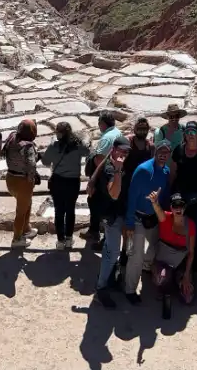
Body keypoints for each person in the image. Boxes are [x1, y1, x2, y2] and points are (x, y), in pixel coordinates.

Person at [122, 142, 174, 303]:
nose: (163, 154)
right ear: (154, 152)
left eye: (166, 152)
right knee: (135, 256)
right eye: (160, 151)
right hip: (137, 218)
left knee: (154, 250)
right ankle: (130, 290)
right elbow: (131, 198)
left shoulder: (166, 171)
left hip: (154, 217)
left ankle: (145, 271)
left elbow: (164, 197)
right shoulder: (143, 170)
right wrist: (129, 223)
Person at [92, 139, 130, 307]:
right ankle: (101, 289)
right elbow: (114, 194)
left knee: (110, 249)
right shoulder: (110, 168)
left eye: (126, 152)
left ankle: (108, 280)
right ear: (113, 150)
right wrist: (118, 170)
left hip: (116, 214)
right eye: (120, 151)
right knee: (111, 253)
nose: (123, 155)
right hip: (111, 216)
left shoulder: (111, 162)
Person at [41, 121, 89, 251]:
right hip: (73, 182)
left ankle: (60, 240)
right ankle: (69, 238)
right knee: (70, 210)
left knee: (59, 211)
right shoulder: (77, 146)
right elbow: (87, 151)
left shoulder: (54, 146)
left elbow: (45, 162)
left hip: (58, 181)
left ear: (59, 133)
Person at [150, 191, 197, 317]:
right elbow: (158, 210)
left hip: (180, 264)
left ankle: (179, 281)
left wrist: (187, 275)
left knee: (187, 298)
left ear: (185, 207)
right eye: (175, 206)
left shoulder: (191, 225)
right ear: (171, 207)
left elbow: (191, 253)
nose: (178, 209)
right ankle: (165, 286)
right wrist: (154, 202)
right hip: (163, 263)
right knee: (162, 278)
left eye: (180, 205)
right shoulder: (165, 218)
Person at [3, 118, 40, 249]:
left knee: (27, 204)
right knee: (20, 211)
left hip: (10, 178)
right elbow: (31, 165)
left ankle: (26, 229)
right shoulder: (28, 146)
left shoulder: (12, 137)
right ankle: (17, 238)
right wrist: (32, 180)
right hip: (22, 182)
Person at [89, 111, 123, 241]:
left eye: (99, 123)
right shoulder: (117, 133)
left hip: (105, 177)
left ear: (103, 124)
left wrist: (93, 179)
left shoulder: (106, 138)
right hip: (115, 175)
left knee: (95, 202)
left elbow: (99, 160)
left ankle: (96, 233)